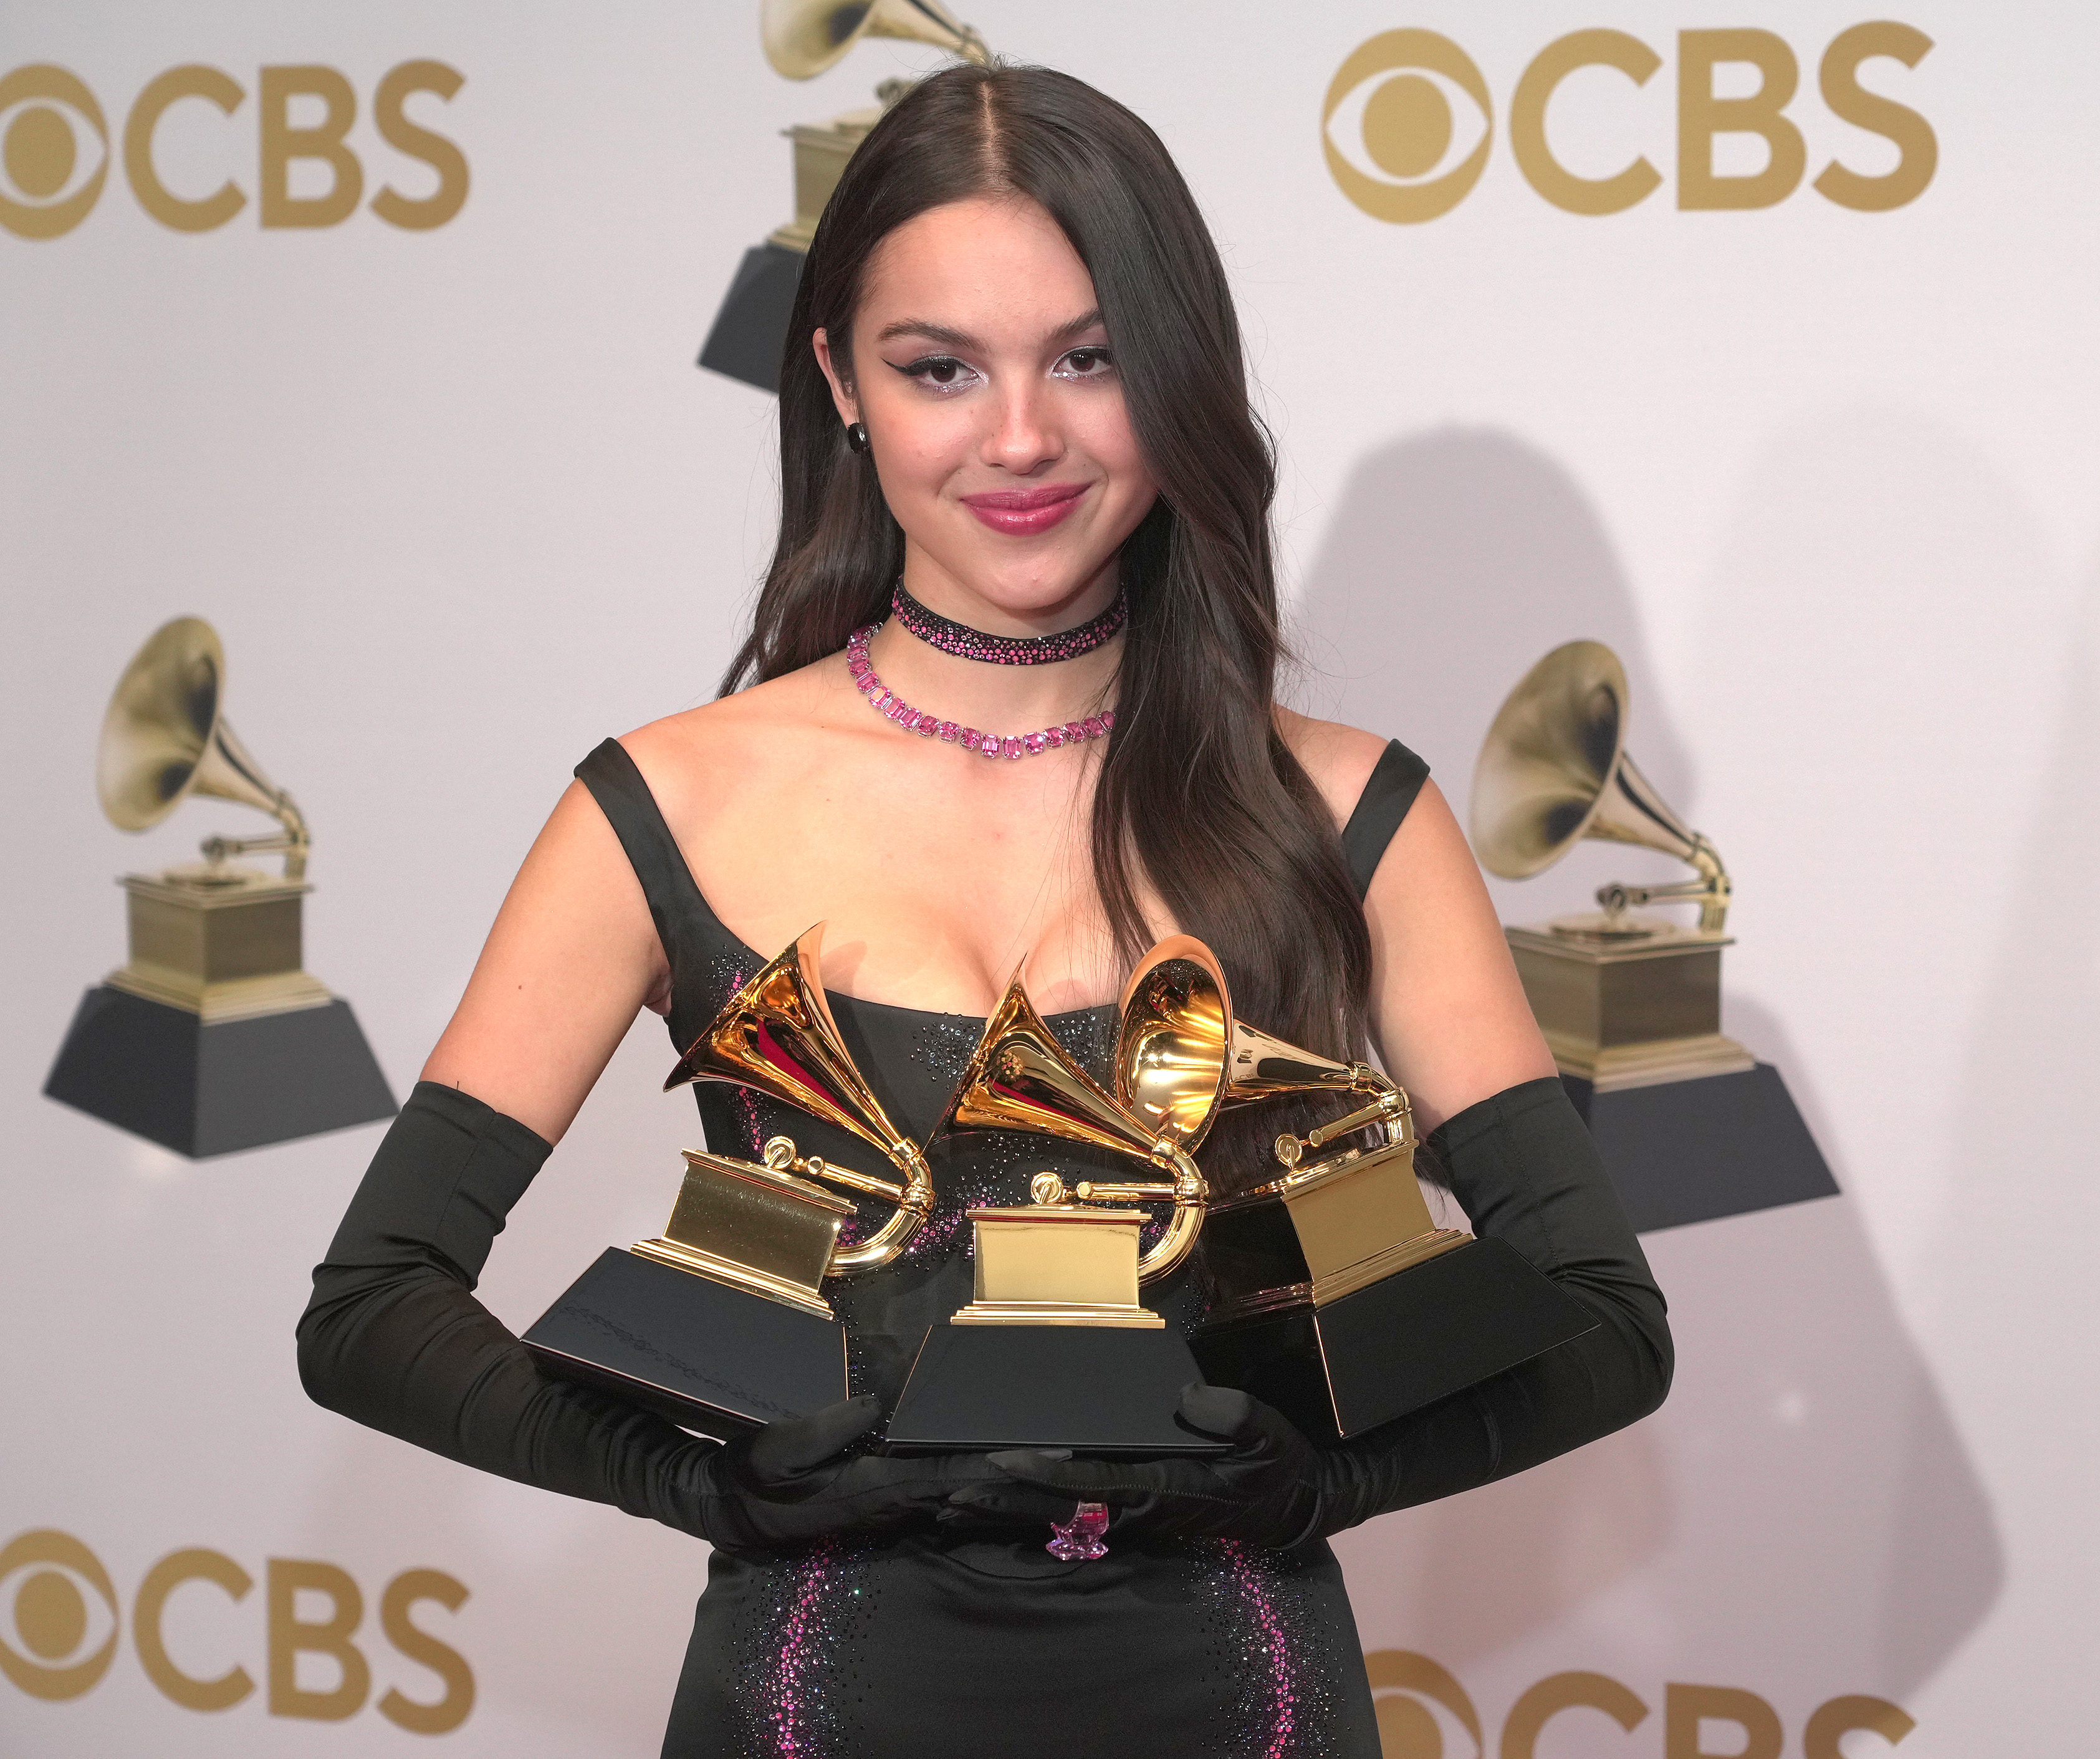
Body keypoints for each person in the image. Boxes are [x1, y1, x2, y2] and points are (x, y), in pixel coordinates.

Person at [298, 62, 1671, 1758]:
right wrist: (690, 1478)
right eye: (938, 367)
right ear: (839, 384)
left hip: (1239, 1707)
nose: (1019, 438)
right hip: (808, 1708)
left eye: (1087, 359)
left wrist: (1322, 1477)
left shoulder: (1345, 811)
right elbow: (375, 1305)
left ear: (1178, 379)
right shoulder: (665, 802)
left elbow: (1605, 1324)